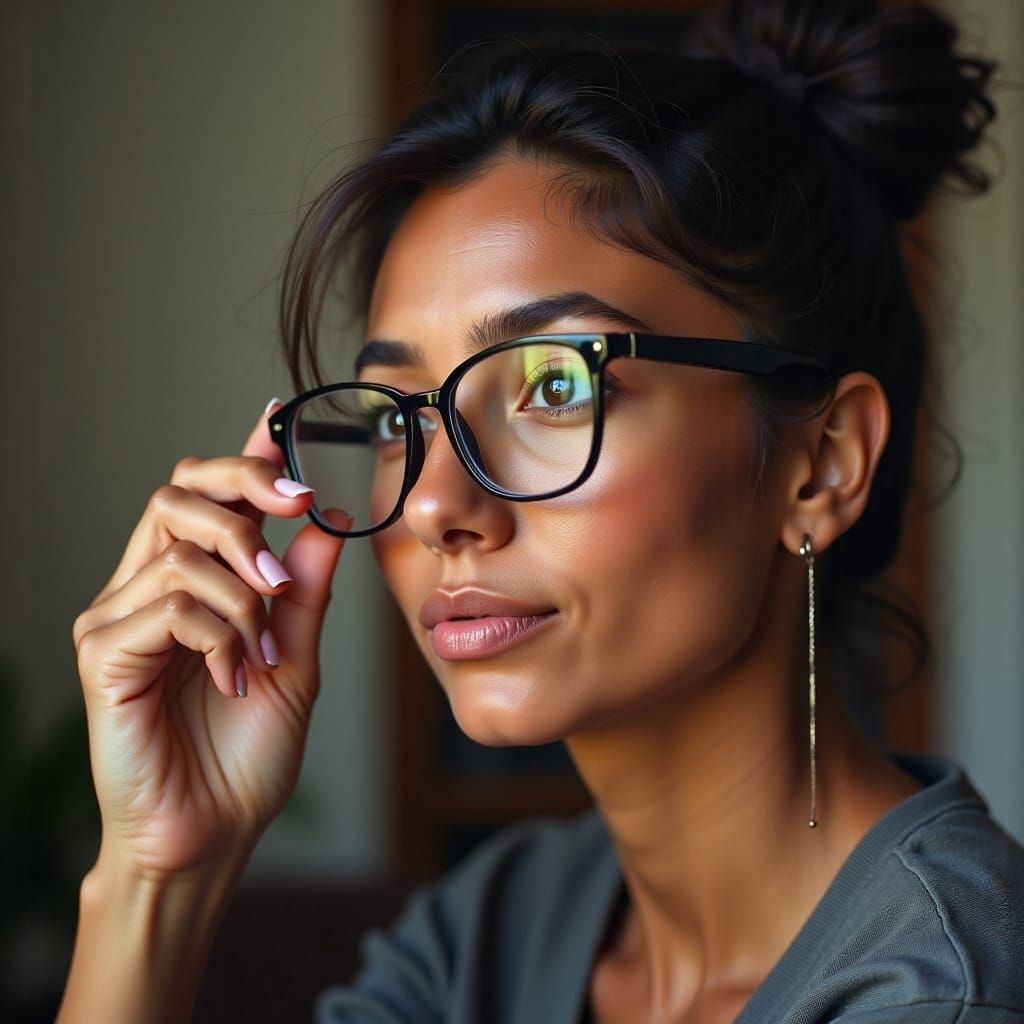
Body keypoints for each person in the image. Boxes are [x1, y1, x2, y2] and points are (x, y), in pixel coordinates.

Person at [57, 0, 1024, 1021]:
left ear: (822, 464)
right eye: (398, 418)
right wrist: (155, 882)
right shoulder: (492, 931)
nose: (433, 504)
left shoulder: (940, 990)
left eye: (555, 387)